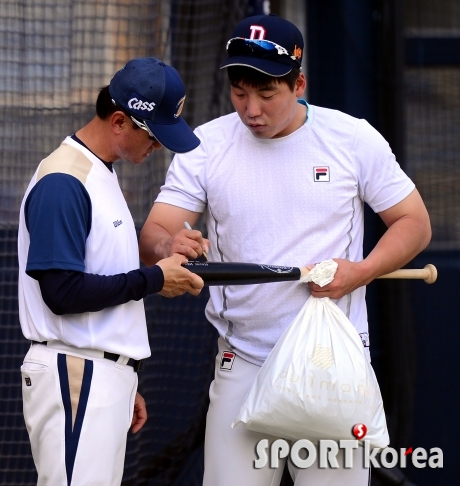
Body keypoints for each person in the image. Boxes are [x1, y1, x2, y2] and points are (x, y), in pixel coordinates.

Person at [139, 14, 431, 486]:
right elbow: (155, 233)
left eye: (267, 93)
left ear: (299, 84)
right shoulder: (205, 145)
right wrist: (168, 243)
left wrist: (361, 271)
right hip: (242, 361)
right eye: (239, 92)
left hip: (329, 366)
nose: (251, 109)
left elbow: (414, 224)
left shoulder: (351, 138)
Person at [18, 57, 204, 486]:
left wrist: (121, 373)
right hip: (75, 373)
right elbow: (61, 293)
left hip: (93, 374)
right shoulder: (65, 179)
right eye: (154, 135)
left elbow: (99, 274)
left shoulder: (98, 172)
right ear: (119, 120)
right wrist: (156, 279)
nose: (158, 146)